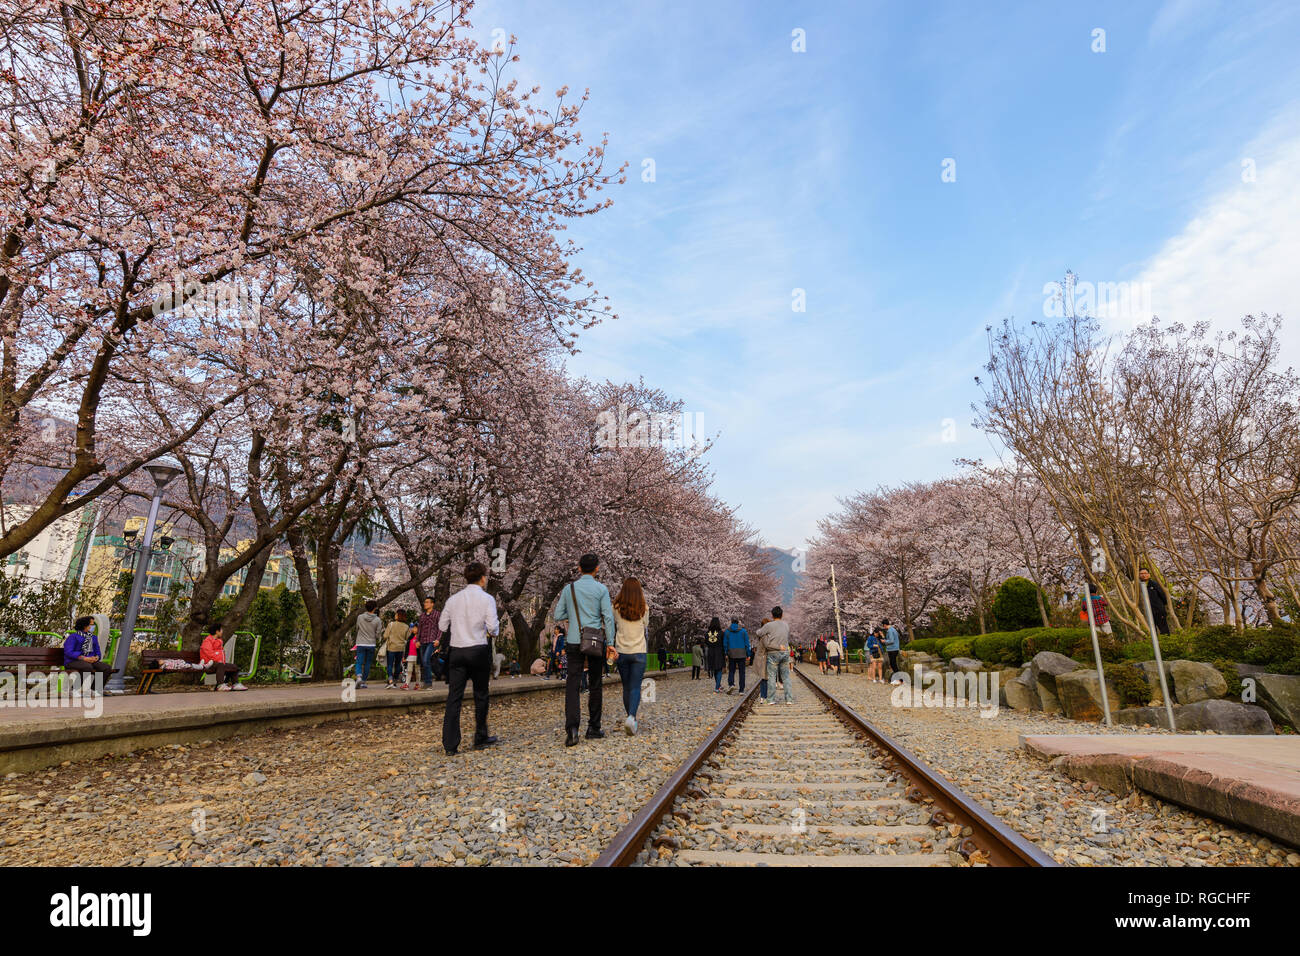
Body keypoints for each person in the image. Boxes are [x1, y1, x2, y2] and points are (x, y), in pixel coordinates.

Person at [551, 553, 617, 747]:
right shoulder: (601, 589)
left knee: (572, 683)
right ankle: (594, 727)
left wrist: (573, 616)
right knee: (595, 682)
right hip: (595, 641)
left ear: (579, 568)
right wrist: (611, 642)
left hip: (573, 641)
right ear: (597, 569)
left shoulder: (569, 588)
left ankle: (572, 730)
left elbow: (558, 614)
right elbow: (608, 617)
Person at [437, 561, 501, 755]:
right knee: (481, 694)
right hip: (478, 649)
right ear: (482, 578)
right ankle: (480, 736)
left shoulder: (453, 599)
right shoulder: (487, 599)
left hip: (457, 650)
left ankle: (450, 744)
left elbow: (441, 625)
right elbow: (493, 628)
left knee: (454, 697)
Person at [612, 577, 650, 735]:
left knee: (626, 687)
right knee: (635, 687)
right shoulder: (644, 608)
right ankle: (631, 717)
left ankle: (630, 718)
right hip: (639, 652)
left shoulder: (616, 607)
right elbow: (645, 625)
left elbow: (615, 623)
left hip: (621, 651)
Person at [61, 616, 113, 693]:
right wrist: (84, 658)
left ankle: (94, 690)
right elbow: (69, 652)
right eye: (92, 624)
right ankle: (74, 690)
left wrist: (96, 657)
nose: (93, 626)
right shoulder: (73, 637)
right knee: (87, 667)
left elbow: (98, 652)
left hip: (90, 661)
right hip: (73, 661)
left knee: (106, 668)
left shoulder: (93, 638)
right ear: (85, 625)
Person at [755, 606, 793, 705]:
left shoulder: (769, 625)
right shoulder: (786, 625)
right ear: (782, 615)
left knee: (771, 677)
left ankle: (771, 699)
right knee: (786, 677)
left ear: (772, 615)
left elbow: (759, 633)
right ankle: (789, 699)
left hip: (773, 653)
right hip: (785, 653)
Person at [199, 625, 245, 691]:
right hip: (208, 664)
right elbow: (209, 654)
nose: (222, 632)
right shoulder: (207, 641)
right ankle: (220, 685)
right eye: (221, 630)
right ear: (217, 631)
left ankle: (235, 684)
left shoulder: (218, 641)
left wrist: (220, 660)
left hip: (218, 664)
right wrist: (219, 659)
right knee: (221, 665)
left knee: (234, 667)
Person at [354, 600, 382, 689]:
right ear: (375, 608)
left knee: (359, 662)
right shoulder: (378, 620)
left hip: (360, 642)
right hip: (371, 644)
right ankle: (363, 682)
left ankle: (358, 677)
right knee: (368, 663)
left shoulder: (360, 617)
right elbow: (378, 634)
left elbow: (357, 628)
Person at [415, 596, 440, 690]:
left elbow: (440, 628)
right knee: (424, 662)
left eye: (427, 602)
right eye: (425, 602)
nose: (425, 603)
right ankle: (426, 682)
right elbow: (419, 629)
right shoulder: (422, 616)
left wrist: (438, 639)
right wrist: (417, 640)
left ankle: (428, 683)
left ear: (432, 604)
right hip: (422, 641)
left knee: (426, 660)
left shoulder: (437, 614)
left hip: (431, 641)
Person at [382, 610, 409, 688]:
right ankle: (395, 680)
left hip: (391, 647)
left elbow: (385, 636)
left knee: (390, 664)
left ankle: (390, 680)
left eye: (396, 614)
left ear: (398, 615)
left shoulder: (391, 625)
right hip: (400, 648)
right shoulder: (406, 626)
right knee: (397, 665)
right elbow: (407, 638)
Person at [1139, 568, 1170, 635]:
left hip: (1158, 611)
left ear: (1149, 574)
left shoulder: (1154, 584)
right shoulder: (1138, 585)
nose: (1143, 575)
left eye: (1145, 573)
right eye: (1141, 574)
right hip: (1147, 612)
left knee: (1164, 630)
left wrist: (1161, 607)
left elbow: (1163, 596)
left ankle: (1167, 643)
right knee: (1152, 632)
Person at [723, 618, 749, 694]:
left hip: (731, 653)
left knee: (731, 670)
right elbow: (747, 643)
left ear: (731, 622)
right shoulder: (743, 631)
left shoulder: (727, 631)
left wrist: (726, 652)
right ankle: (741, 690)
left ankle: (731, 684)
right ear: (738, 623)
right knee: (742, 672)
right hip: (742, 653)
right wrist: (748, 654)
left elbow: (725, 643)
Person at [705, 617, 726, 691]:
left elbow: (706, 642)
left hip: (710, 652)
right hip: (719, 652)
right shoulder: (721, 633)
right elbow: (724, 643)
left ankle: (718, 685)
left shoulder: (707, 633)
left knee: (714, 669)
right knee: (719, 669)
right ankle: (717, 687)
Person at [753, 617, 771, 701]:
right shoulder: (765, 636)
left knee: (763, 678)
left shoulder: (760, 635)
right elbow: (768, 646)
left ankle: (763, 696)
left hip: (760, 657)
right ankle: (764, 696)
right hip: (765, 657)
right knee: (765, 678)